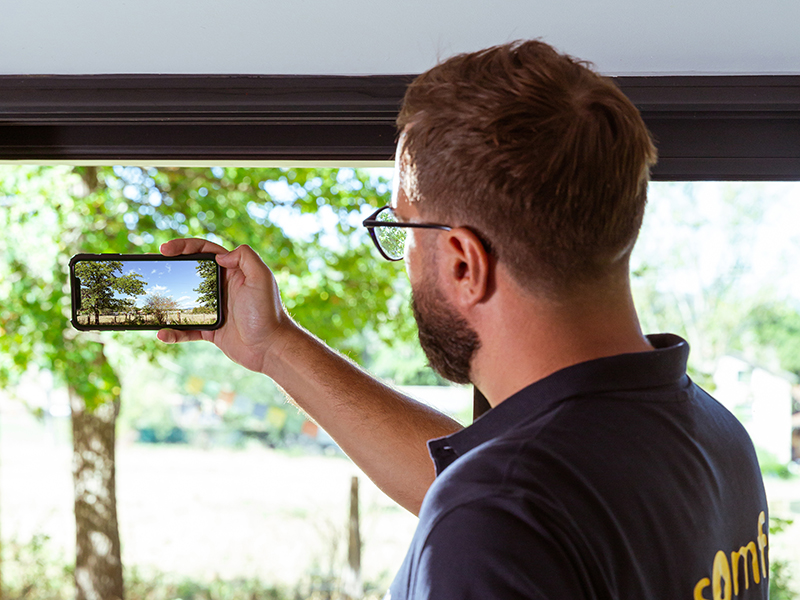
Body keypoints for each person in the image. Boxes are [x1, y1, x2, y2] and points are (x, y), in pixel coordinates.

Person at [158, 40, 769, 599]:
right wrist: (274, 346)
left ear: (461, 262)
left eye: (402, 228)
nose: (404, 256)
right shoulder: (712, 437)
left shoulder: (499, 510)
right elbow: (511, 495)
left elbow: (505, 507)